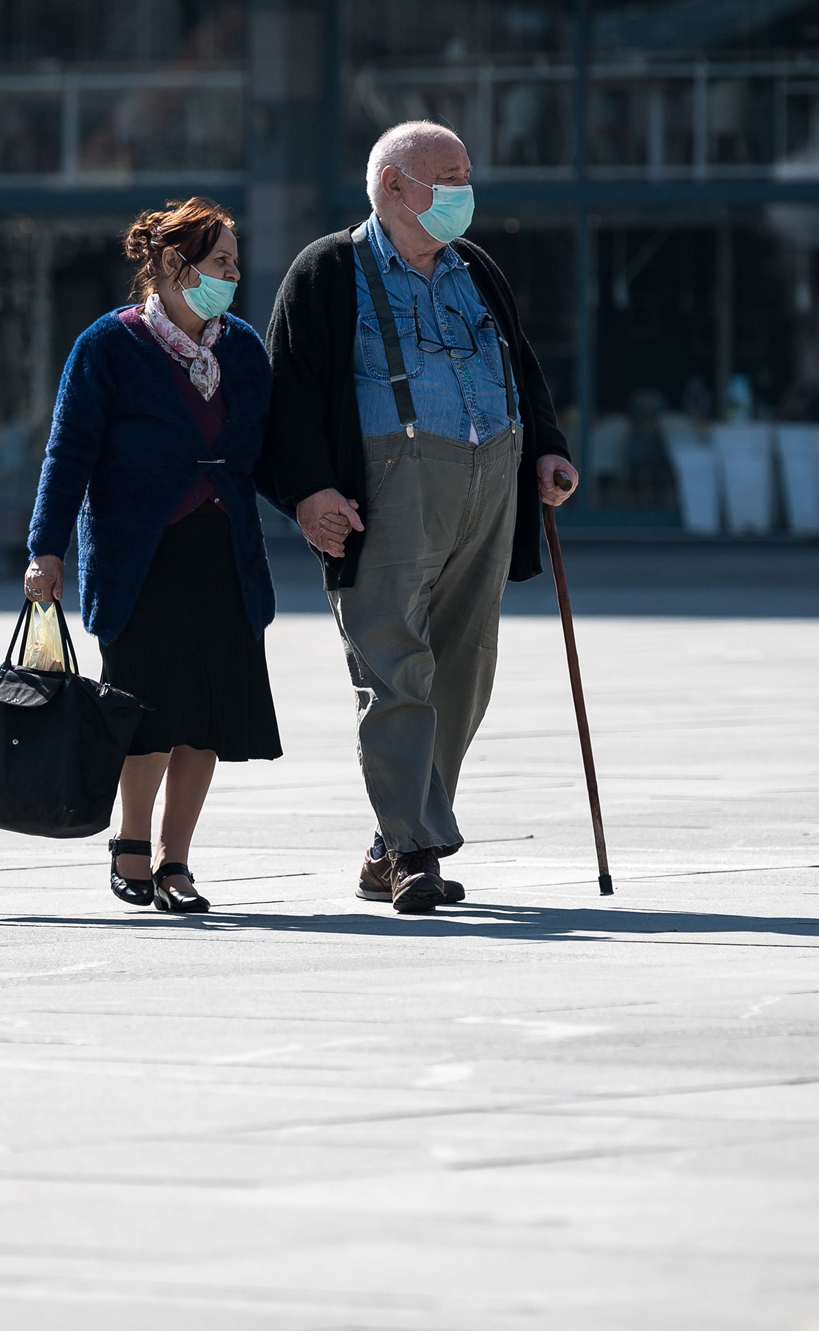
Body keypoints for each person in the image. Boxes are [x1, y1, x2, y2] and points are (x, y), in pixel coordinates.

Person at [261, 121, 579, 915]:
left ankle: (389, 841)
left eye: (468, 172)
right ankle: (412, 848)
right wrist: (308, 492)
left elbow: (520, 366)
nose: (465, 190)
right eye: (449, 175)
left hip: (490, 482)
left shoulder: (476, 268)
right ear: (394, 187)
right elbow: (286, 400)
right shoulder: (329, 270)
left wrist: (545, 448)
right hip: (388, 490)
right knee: (393, 667)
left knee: (465, 668)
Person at [24, 197, 280, 915]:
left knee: (206, 716)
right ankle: (130, 843)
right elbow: (67, 452)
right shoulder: (108, 345)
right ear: (174, 264)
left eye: (233, 261)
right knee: (145, 709)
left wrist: (321, 503)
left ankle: (177, 861)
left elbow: (270, 454)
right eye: (221, 261)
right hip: (141, 556)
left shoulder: (243, 349)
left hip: (223, 553)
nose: (232, 274)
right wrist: (45, 548)